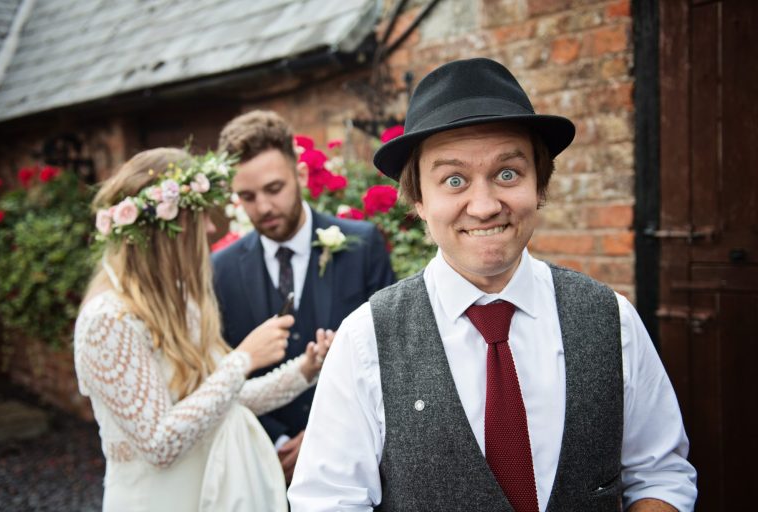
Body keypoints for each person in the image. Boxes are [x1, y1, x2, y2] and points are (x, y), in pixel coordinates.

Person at [289, 58, 697, 511]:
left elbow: (661, 474)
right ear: (419, 200)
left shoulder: (611, 321)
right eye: (454, 180)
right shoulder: (365, 340)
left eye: (507, 174)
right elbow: (328, 501)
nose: (483, 206)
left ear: (538, 185)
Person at [73, 148, 332, 512]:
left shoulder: (182, 303)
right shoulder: (108, 320)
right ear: (168, 231)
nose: (212, 229)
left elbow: (221, 403)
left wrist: (305, 369)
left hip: (205, 495)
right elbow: (158, 444)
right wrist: (243, 359)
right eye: (201, 219)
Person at [212, 110, 396, 482]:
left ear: (299, 175)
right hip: (265, 466)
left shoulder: (362, 245)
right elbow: (220, 374)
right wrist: (276, 441)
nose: (263, 207)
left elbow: (390, 353)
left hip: (355, 456)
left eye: (274, 189)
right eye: (247, 196)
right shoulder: (221, 269)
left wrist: (321, 435)